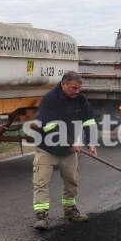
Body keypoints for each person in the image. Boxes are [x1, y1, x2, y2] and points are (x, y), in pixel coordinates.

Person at [31, 71, 97, 230]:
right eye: (73, 88)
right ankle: (42, 216)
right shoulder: (50, 99)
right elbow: (49, 127)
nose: (77, 91)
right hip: (47, 148)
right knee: (41, 182)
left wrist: (91, 142)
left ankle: (70, 210)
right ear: (63, 84)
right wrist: (71, 141)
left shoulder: (81, 99)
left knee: (71, 180)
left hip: (68, 151)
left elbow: (89, 121)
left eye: (79, 88)